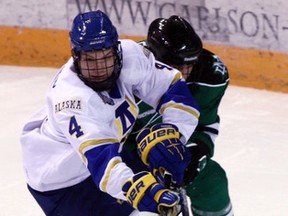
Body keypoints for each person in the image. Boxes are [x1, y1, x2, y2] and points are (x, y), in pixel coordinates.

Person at [20, 10, 201, 216]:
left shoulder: (130, 55)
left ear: (116, 50)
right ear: (76, 55)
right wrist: (133, 188)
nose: (99, 68)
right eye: (90, 59)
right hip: (64, 182)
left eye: (106, 57)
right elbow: (101, 162)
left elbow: (173, 89)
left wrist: (174, 132)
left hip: (108, 154)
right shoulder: (72, 100)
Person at [124, 16, 234, 216]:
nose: (184, 73)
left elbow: (203, 127)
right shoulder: (126, 73)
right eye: (175, 64)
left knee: (211, 180)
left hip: (172, 149)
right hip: (125, 155)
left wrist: (196, 152)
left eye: (190, 64)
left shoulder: (210, 75)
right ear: (152, 55)